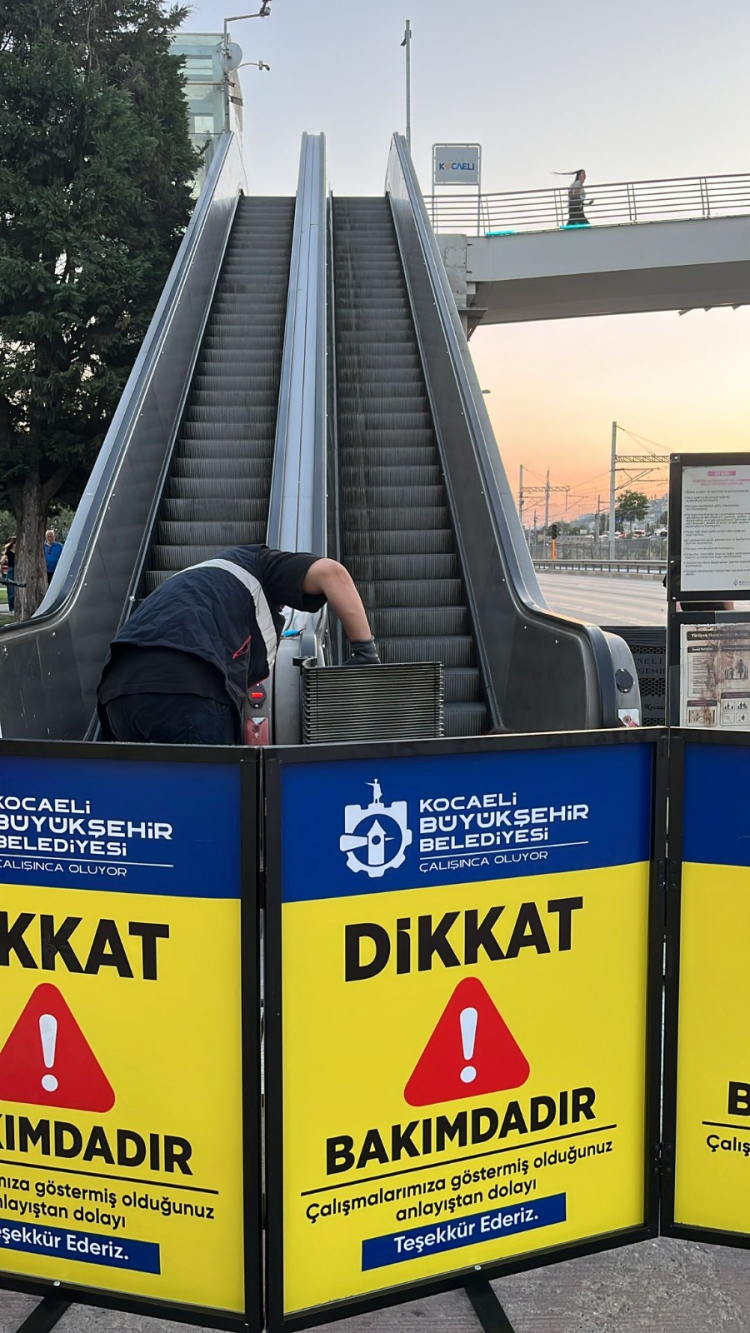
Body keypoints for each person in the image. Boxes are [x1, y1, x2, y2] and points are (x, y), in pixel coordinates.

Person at [97, 546, 380, 744]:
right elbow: (332, 573)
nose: (282, 608)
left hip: (116, 693)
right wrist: (365, 654)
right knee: (209, 802)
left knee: (150, 806)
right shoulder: (258, 563)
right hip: (185, 688)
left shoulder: (195, 586)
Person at [2, 537, 16, 614]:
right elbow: (2, 561)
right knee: (11, 591)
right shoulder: (8, 552)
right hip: (11, 570)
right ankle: (12, 608)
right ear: (13, 544)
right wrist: (3, 573)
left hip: (18, 570)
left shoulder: (20, 552)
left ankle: (16, 607)